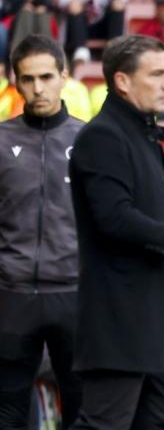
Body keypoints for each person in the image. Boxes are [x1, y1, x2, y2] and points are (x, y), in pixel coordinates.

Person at [68, 34, 164, 429]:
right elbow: (115, 219)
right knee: (105, 424)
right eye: (158, 74)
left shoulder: (142, 134)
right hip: (118, 325)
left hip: (152, 322)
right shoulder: (103, 137)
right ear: (122, 81)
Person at [0, 34, 83, 429]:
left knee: (82, 411)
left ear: (63, 76)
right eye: (28, 79)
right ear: (15, 81)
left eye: (46, 77)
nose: (38, 88)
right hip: (12, 296)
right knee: (7, 413)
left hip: (75, 295)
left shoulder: (90, 141)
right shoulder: (0, 141)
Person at [58, 0, 127, 62]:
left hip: (104, 27)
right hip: (79, 27)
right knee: (74, 5)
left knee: (117, 4)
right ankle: (81, 50)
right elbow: (63, 1)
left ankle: (114, 49)